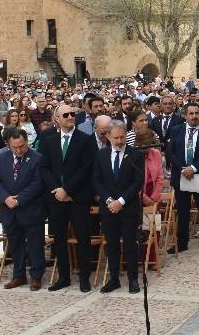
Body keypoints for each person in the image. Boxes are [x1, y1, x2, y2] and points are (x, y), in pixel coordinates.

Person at [38, 104, 97, 292]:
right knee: (59, 239)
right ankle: (63, 276)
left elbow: (86, 169)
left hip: (78, 198)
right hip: (56, 198)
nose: (71, 117)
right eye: (66, 115)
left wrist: (67, 190)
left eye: (73, 114)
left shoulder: (85, 140)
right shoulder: (48, 140)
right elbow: (44, 168)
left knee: (83, 238)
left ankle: (84, 276)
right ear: (57, 119)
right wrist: (57, 190)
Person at [0, 127, 48, 291]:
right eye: (14, 147)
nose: (18, 150)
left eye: (22, 146)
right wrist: (6, 198)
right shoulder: (1, 158)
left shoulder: (37, 158)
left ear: (27, 142)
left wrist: (19, 199)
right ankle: (19, 275)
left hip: (31, 209)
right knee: (15, 244)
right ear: (8, 145)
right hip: (9, 209)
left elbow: (38, 184)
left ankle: (36, 276)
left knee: (35, 244)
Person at [93, 121, 145, 293]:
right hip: (108, 209)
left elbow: (138, 181)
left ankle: (132, 279)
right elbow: (97, 180)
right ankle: (114, 278)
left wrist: (121, 201)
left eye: (122, 137)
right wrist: (109, 201)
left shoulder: (135, 154)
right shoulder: (101, 154)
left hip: (128, 207)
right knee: (112, 245)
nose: (120, 141)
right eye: (116, 138)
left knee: (130, 244)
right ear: (108, 136)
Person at [166, 102, 199, 254]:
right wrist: (183, 169)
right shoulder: (176, 130)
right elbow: (171, 152)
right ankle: (182, 242)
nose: (194, 116)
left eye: (197, 113)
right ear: (185, 115)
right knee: (183, 211)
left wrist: (193, 168)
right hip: (182, 175)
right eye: (191, 113)